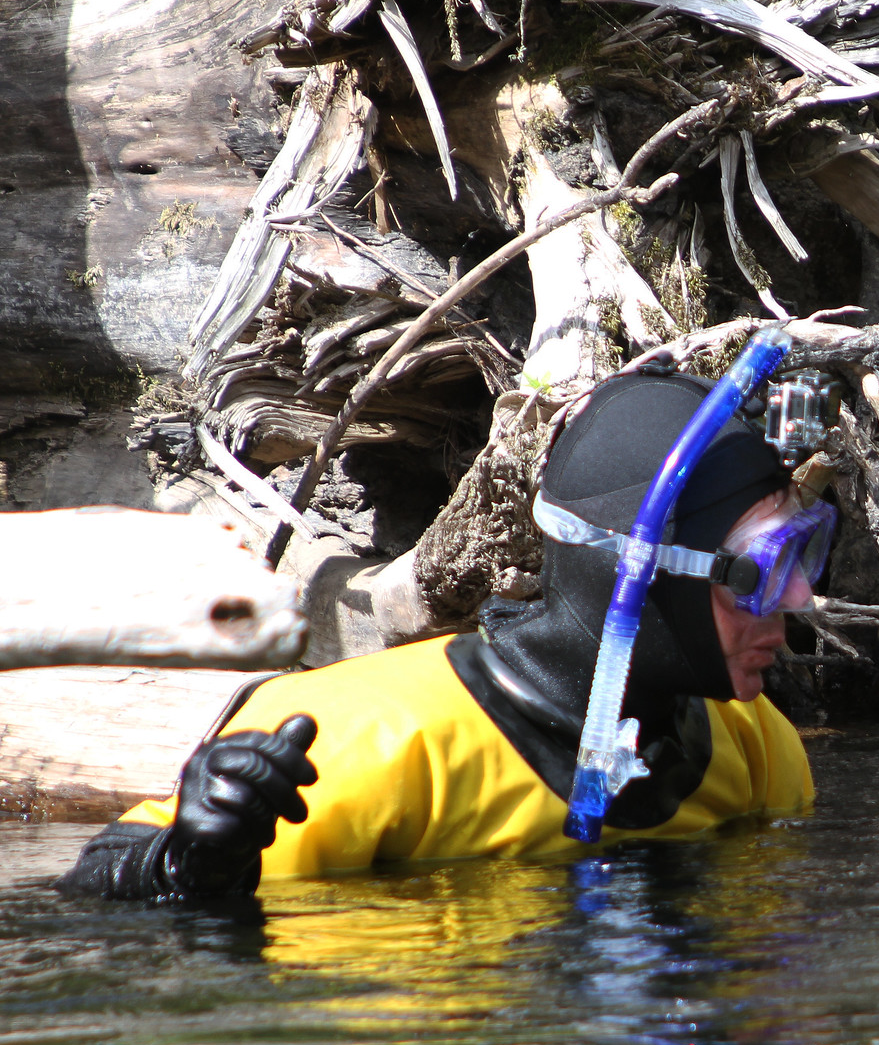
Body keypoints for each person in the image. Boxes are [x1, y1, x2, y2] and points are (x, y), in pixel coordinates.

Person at [60, 368, 821, 900]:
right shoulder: (360, 744)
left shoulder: (755, 747)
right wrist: (186, 863)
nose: (801, 595)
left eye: (806, 549)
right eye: (760, 568)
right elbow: (93, 885)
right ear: (635, 573)